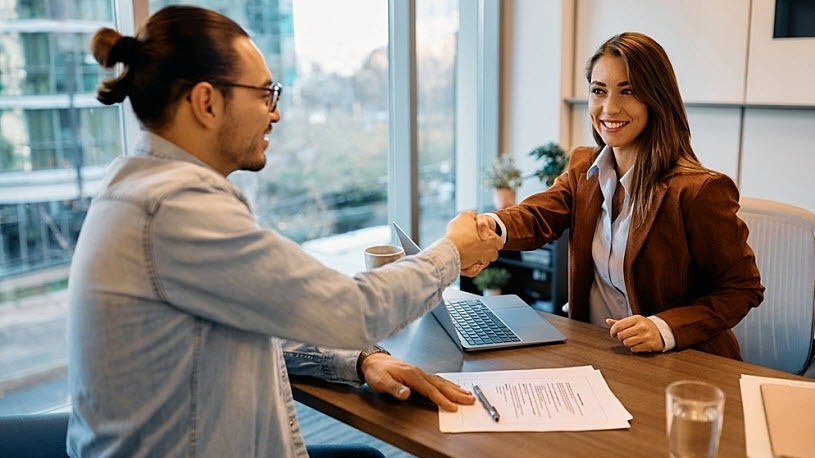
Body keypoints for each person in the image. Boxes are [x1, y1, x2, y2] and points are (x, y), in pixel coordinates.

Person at [67, 6, 503, 457]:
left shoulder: (139, 186)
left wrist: (361, 359)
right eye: (264, 94)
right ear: (206, 102)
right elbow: (355, 310)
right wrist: (453, 249)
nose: (274, 114)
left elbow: (260, 315)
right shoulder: (175, 207)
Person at [474, 32, 763, 360]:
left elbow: (742, 288)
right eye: (599, 91)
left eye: (629, 91)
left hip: (682, 362)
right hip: (599, 354)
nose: (609, 108)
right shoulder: (585, 168)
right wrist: (485, 228)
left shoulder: (699, 190)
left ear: (656, 97)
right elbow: (538, 215)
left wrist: (663, 328)